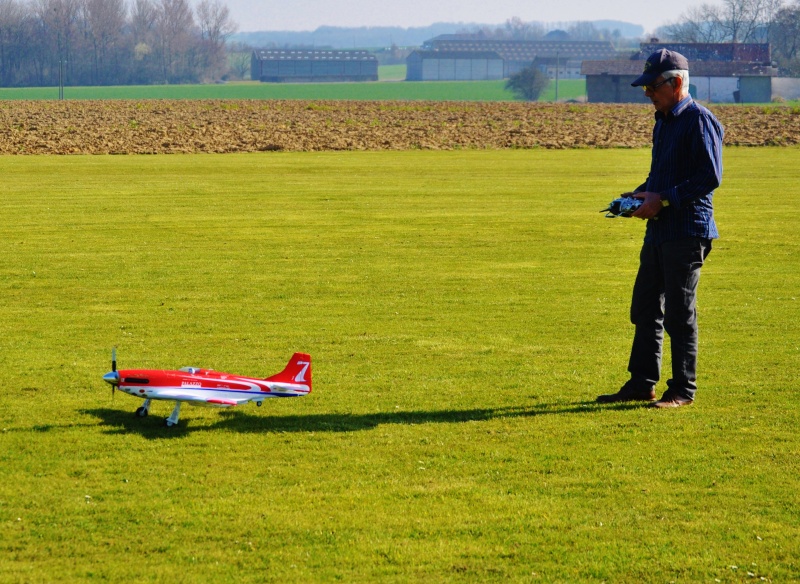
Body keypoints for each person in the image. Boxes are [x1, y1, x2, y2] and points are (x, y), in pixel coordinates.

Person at [596, 49, 724, 408]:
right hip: (659, 228)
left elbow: (709, 177)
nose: (648, 94)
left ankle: (683, 390)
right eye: (645, 88)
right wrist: (641, 195)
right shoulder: (664, 121)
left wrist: (663, 200)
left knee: (679, 313)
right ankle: (641, 383)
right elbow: (663, 175)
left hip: (687, 229)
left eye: (653, 87)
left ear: (677, 82)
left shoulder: (699, 120)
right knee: (645, 307)